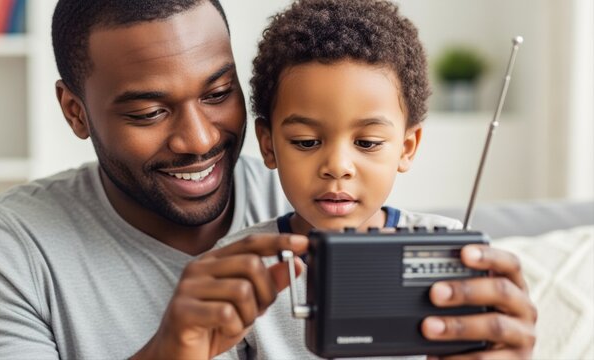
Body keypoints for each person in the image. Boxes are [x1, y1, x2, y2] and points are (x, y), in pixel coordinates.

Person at [0, 1, 303, 359]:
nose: (199, 140)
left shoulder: (323, 204)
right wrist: (167, 353)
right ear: (75, 112)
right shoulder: (9, 249)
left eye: (218, 94)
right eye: (148, 113)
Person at [217, 0, 537, 358]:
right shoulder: (237, 269)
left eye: (367, 143)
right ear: (268, 144)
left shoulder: (453, 255)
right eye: (306, 141)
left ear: (406, 147)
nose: (338, 166)